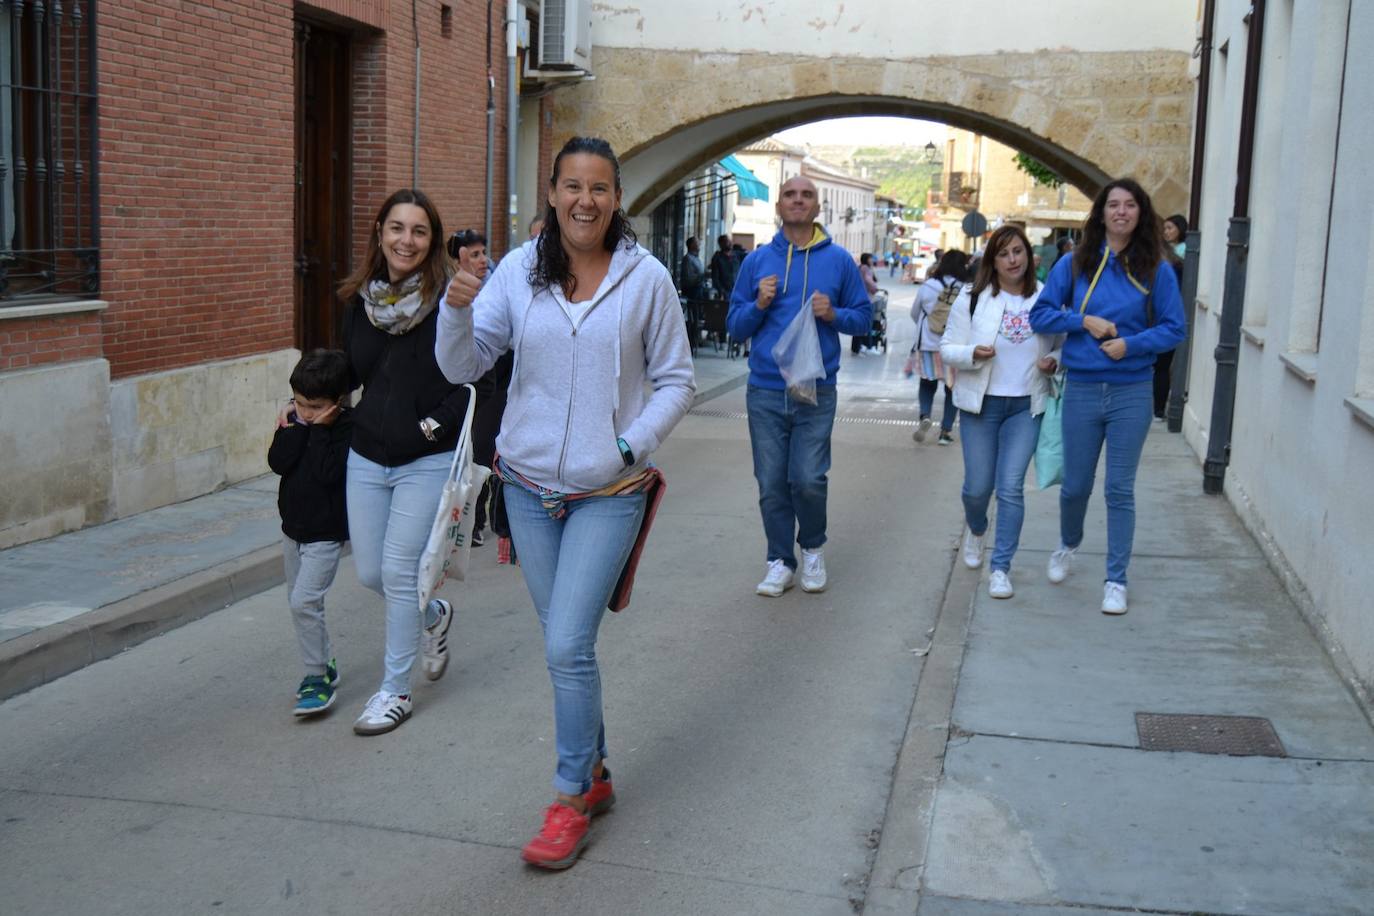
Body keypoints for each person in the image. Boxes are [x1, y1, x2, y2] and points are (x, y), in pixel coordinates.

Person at [436, 136, 695, 870]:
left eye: (601, 189)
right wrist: (455, 312)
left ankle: (568, 795)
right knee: (568, 649)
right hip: (525, 489)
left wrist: (625, 447)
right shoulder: (519, 272)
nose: (586, 200)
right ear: (552, 193)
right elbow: (463, 365)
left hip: (608, 491)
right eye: (573, 186)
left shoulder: (646, 281)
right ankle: (597, 771)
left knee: (564, 647)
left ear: (617, 199)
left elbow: (678, 381)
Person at [337, 188, 475, 735]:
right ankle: (433, 616)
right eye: (397, 228)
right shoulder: (358, 301)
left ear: (432, 241)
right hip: (367, 455)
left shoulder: (449, 303)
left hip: (426, 459)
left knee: (397, 572)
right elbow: (350, 371)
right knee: (371, 572)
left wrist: (426, 428)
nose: (406, 240)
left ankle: (394, 691)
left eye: (419, 231)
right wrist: (309, 399)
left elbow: (469, 381)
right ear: (380, 233)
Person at [1029, 178, 1186, 615]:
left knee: (1119, 489)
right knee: (1076, 485)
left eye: (1130, 205)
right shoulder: (1073, 263)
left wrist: (1131, 346)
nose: (1121, 212)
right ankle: (1068, 543)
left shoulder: (1158, 267)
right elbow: (1040, 314)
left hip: (1131, 391)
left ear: (1141, 213)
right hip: (1080, 388)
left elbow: (1176, 327)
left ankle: (1116, 579)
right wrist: (1084, 322)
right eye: (1112, 205)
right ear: (1100, 213)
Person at [726, 175, 872, 597]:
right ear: (779, 206)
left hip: (817, 388)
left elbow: (864, 319)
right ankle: (779, 560)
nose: (798, 200)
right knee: (771, 480)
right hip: (766, 390)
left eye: (806, 195)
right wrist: (759, 304)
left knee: (807, 478)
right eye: (790, 194)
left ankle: (811, 547)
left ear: (818, 207)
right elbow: (735, 327)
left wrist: (835, 315)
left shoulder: (840, 261)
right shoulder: (756, 262)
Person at [939, 226, 1063, 599]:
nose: (1013, 260)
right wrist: (971, 354)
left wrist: (1053, 361)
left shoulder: (1045, 300)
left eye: (1019, 252)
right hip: (981, 404)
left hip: (1026, 407)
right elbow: (947, 348)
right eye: (1005, 253)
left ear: (1030, 257)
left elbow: (1063, 345)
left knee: (1010, 488)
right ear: (993, 260)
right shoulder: (973, 299)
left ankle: (1001, 568)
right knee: (978, 488)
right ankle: (977, 529)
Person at [267, 349, 353, 717]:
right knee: (302, 604)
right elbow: (278, 462)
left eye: (314, 406)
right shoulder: (296, 421)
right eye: (299, 402)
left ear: (336, 402)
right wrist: (295, 425)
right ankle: (325, 662)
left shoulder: (347, 430)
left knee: (304, 602)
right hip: (292, 531)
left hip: (324, 535)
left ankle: (316, 678)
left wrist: (318, 431)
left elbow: (327, 474)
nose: (305, 411)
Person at [911, 249, 970, 445]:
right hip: (952, 346)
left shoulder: (928, 285)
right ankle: (945, 431)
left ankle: (925, 415)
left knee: (927, 383)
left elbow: (914, 312)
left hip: (927, 343)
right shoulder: (964, 289)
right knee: (951, 387)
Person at [1155, 214, 1189, 420]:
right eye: (1164, 228)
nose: (1166, 232)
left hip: (1170, 313)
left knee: (1162, 364)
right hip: (1161, 313)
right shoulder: (1164, 253)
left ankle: (1158, 408)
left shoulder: (1182, 254)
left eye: (1170, 228)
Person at [852, 252, 881, 354]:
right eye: (870, 258)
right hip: (867, 298)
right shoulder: (866, 269)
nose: (872, 260)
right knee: (868, 323)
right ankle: (868, 346)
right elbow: (868, 280)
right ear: (866, 259)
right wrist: (875, 288)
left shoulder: (859, 268)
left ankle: (856, 347)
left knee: (858, 322)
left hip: (857, 298)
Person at [709, 233, 737, 299]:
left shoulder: (736, 256)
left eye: (730, 241)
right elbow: (715, 277)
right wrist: (721, 291)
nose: (730, 243)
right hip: (725, 292)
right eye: (727, 241)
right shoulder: (717, 258)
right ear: (721, 244)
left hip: (736, 291)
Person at [680, 235, 705, 300]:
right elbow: (689, 278)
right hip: (692, 292)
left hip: (698, 290)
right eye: (697, 242)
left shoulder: (696, 258)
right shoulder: (688, 259)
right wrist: (702, 276)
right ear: (692, 245)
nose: (699, 244)